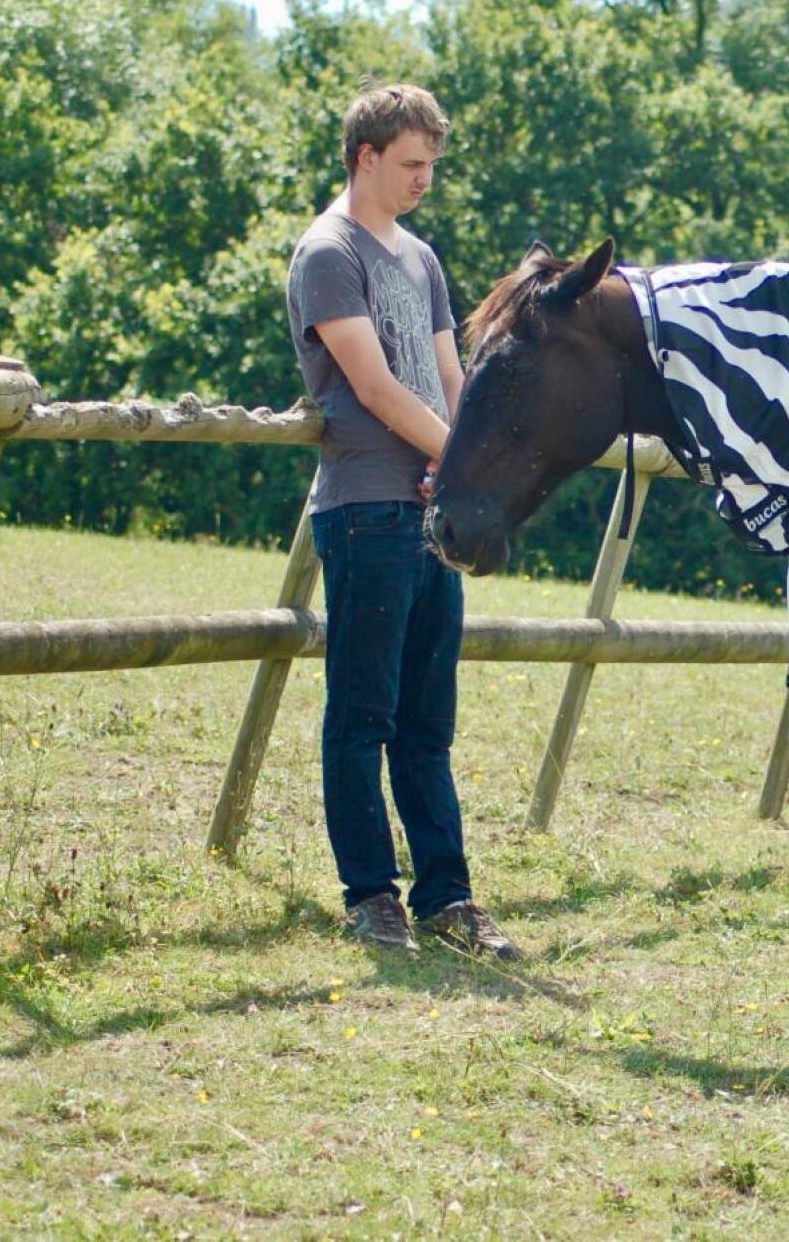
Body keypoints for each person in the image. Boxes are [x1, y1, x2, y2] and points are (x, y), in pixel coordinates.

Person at [284, 83, 520, 960]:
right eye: (412, 164)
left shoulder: (420, 258)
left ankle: (448, 898)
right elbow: (375, 387)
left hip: (429, 516)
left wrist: (466, 469)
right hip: (366, 509)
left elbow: (448, 378)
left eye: (432, 165)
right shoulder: (326, 252)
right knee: (363, 713)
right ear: (365, 156)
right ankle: (371, 896)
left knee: (427, 721)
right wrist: (454, 463)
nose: (425, 179)